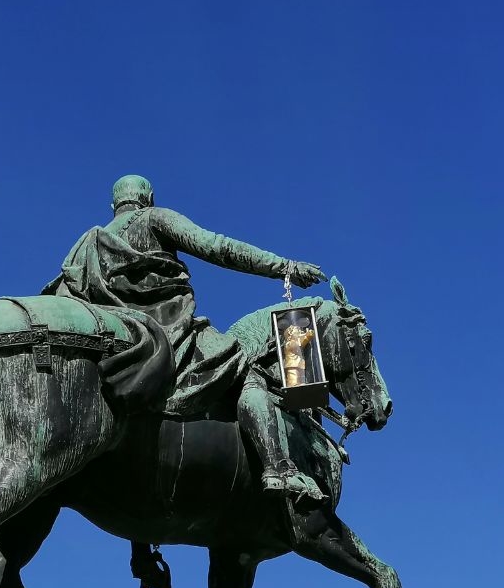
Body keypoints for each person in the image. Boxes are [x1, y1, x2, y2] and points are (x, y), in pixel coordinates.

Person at [44, 174, 325, 499]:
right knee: (247, 372)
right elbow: (217, 246)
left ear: (113, 205)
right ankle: (278, 469)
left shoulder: (87, 242)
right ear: (148, 198)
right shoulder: (154, 217)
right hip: (164, 327)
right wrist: (283, 267)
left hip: (115, 337)